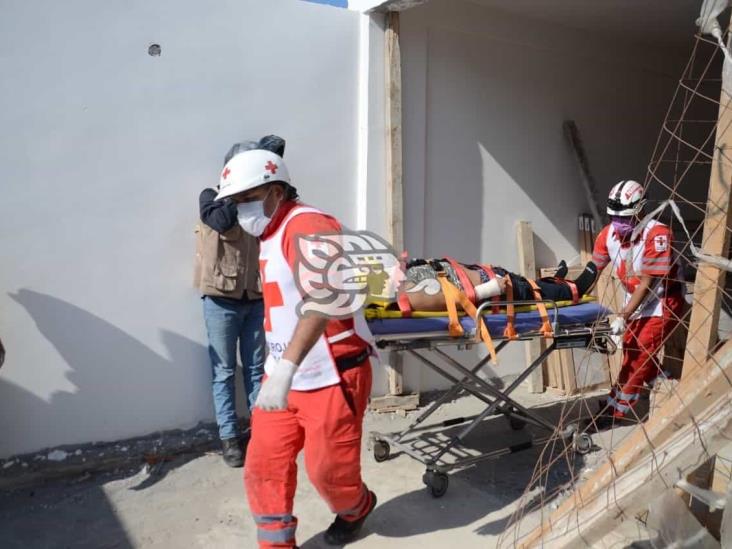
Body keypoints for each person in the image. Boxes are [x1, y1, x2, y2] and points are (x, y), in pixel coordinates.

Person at [215, 149, 376, 547]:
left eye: (244, 200)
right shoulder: (270, 234)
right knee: (263, 466)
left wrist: (284, 368)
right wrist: (279, 370)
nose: (240, 211)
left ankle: (357, 507)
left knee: (329, 474)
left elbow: (323, 297)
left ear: (274, 191)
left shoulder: (308, 225)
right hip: (284, 377)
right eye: (234, 203)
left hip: (331, 373)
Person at [194, 135, 285, 468]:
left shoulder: (260, 201)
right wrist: (240, 191)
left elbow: (281, 202)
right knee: (223, 371)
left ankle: (262, 432)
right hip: (221, 299)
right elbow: (220, 221)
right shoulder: (212, 198)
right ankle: (230, 439)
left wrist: (270, 165)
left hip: (256, 297)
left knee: (257, 370)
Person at [591, 180, 684, 426]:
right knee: (636, 349)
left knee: (638, 351)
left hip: (663, 300)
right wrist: (571, 293)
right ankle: (666, 386)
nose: (619, 223)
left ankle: (616, 410)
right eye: (614, 217)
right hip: (635, 301)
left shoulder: (658, 234)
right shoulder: (608, 234)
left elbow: (649, 283)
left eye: (625, 218)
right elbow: (594, 270)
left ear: (642, 209)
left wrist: (624, 315)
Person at [397, 257, 598, 312]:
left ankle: (556, 282)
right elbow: (452, 302)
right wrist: (490, 288)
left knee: (527, 285)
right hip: (493, 292)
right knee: (529, 292)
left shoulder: (405, 274)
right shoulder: (412, 294)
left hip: (491, 276)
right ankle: (573, 290)